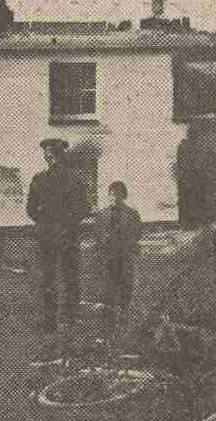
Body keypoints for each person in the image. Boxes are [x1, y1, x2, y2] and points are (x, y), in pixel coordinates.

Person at [26, 138, 90, 333]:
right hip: (58, 234)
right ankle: (58, 319)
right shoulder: (43, 179)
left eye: (53, 155)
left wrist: (48, 222)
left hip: (58, 235)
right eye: (49, 155)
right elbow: (31, 208)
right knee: (57, 277)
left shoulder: (69, 179)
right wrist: (57, 223)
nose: (51, 158)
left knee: (60, 277)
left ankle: (61, 319)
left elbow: (83, 208)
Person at [94, 181, 142, 335]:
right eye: (112, 194)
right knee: (108, 288)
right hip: (109, 256)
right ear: (109, 195)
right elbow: (97, 234)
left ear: (124, 195)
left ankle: (124, 317)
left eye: (118, 193)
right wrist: (105, 242)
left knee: (126, 287)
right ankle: (108, 321)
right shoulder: (101, 214)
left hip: (125, 255)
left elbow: (137, 233)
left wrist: (127, 243)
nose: (115, 197)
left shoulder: (132, 214)